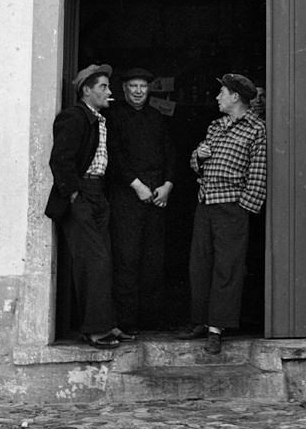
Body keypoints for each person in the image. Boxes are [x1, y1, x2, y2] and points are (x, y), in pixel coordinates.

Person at [177, 73, 267, 354]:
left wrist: (243, 207)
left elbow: (258, 172)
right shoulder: (216, 126)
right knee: (199, 264)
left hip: (231, 207)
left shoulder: (256, 129)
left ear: (235, 97)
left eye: (221, 93)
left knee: (227, 268)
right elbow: (196, 161)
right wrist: (198, 156)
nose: (217, 97)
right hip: (205, 202)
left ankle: (217, 328)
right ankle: (200, 321)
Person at [44, 63, 120, 348]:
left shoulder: (98, 119)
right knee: (93, 262)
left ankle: (105, 324)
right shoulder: (74, 118)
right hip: (81, 195)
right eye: (103, 87)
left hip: (97, 194)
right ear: (86, 90)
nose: (108, 92)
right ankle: (95, 330)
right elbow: (60, 160)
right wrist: (74, 194)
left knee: (102, 261)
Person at [107, 67, 176, 337]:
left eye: (143, 86)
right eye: (133, 86)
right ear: (124, 89)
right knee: (127, 257)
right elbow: (115, 155)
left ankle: (152, 320)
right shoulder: (113, 117)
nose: (138, 91)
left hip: (156, 192)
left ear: (149, 89)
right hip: (128, 193)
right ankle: (127, 321)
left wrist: (168, 185)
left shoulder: (158, 118)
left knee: (154, 258)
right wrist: (136, 186)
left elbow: (171, 152)